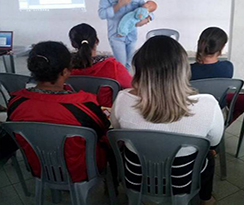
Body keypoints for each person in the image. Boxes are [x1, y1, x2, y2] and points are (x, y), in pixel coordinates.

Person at [110, 36, 224, 205]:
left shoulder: (122, 99)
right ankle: (206, 200)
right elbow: (214, 142)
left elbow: (117, 131)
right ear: (183, 69)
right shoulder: (208, 104)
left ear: (140, 70)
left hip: (136, 179)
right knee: (208, 153)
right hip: (183, 182)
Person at [7, 41, 110, 183]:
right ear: (66, 71)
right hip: (81, 170)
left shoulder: (16, 102)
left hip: (39, 168)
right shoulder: (84, 103)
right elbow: (103, 132)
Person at [98, 0, 154, 71]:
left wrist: (147, 19)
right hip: (116, 36)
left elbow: (149, 9)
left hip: (132, 35)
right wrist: (119, 5)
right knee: (121, 64)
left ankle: (127, 84)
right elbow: (102, 14)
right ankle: (121, 85)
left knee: (129, 63)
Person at [69, 23, 132, 107]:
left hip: (74, 115)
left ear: (73, 44)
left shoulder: (65, 68)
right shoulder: (113, 66)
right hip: (106, 116)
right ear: (97, 41)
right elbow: (131, 87)